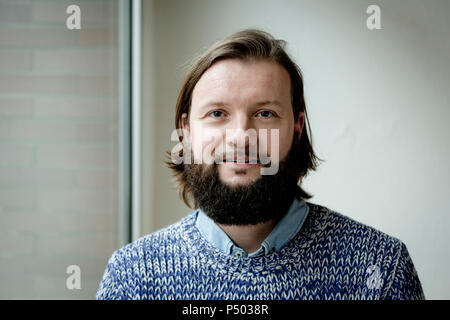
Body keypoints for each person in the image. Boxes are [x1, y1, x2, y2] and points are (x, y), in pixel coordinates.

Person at [96, 29, 425, 300]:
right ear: (186, 132)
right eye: (217, 114)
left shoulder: (382, 269)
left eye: (265, 113)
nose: (240, 137)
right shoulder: (132, 277)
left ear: (296, 130)